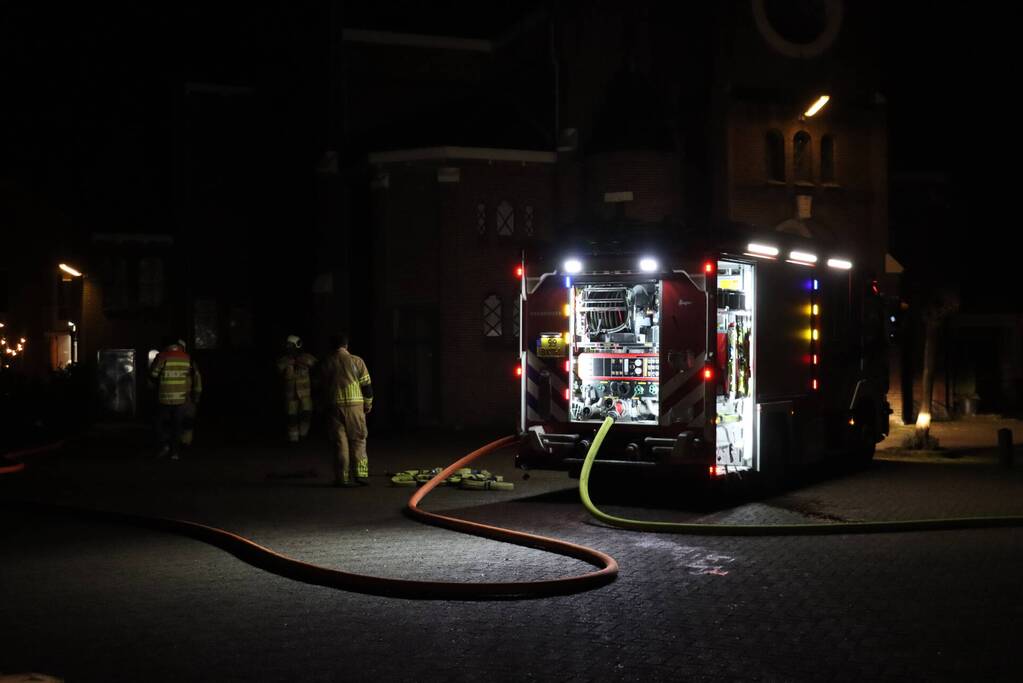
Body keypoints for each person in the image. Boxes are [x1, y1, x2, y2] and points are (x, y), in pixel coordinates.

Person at [321, 332, 373, 487]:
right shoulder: (357, 361)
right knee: (358, 439)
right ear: (346, 345)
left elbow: (321, 387)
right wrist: (368, 404)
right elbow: (367, 386)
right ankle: (361, 474)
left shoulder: (327, 362)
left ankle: (342, 478)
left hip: (334, 407)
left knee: (339, 442)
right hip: (355, 407)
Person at [150, 337, 200, 460]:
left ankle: (164, 446)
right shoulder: (186, 358)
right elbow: (192, 376)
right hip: (181, 398)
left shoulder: (163, 356)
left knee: (159, 423)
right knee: (177, 425)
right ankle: (175, 453)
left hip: (165, 398)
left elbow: (154, 374)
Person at [276, 335, 317, 443]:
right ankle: (293, 439)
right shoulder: (284, 360)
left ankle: (303, 436)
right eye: (287, 346)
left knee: (306, 415)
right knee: (292, 417)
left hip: (305, 395)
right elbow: (278, 371)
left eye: (290, 346)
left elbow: (317, 368)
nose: (288, 348)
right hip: (291, 395)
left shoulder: (307, 358)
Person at [178, 340, 202, 449]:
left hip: (186, 397)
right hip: (182, 396)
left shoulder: (188, 361)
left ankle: (185, 442)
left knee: (187, 421)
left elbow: (197, 379)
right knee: (182, 421)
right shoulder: (187, 361)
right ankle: (183, 441)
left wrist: (196, 396)